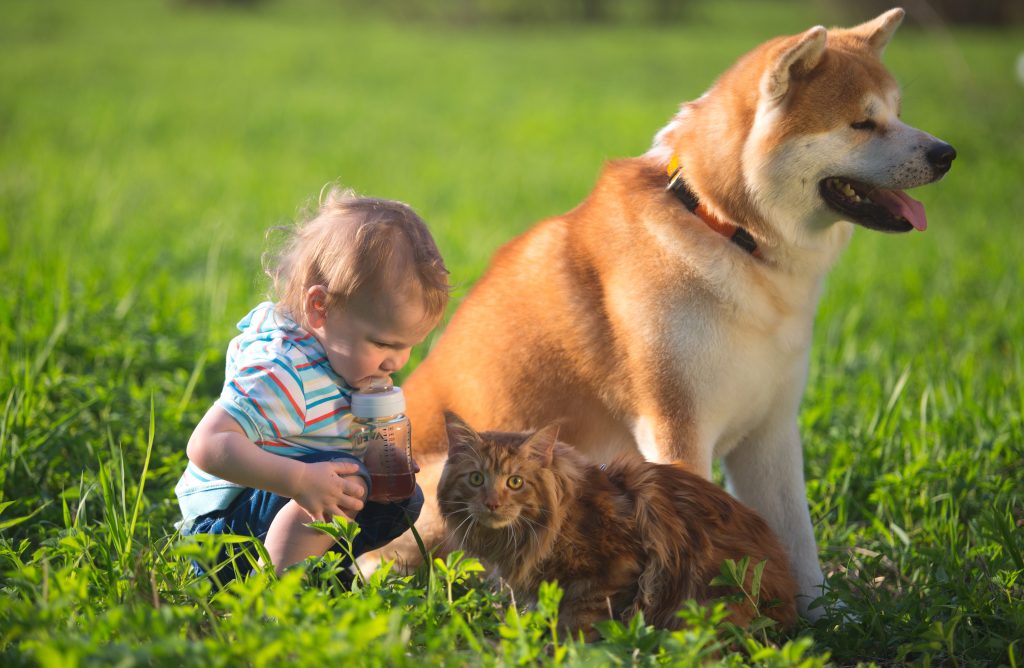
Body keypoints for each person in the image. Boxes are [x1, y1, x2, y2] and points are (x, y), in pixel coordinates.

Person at [175, 187, 450, 583]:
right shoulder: (282, 372)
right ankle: (277, 596)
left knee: (400, 496)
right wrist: (300, 480)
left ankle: (320, 577)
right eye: (383, 344)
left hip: (274, 513)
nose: (396, 362)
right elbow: (206, 445)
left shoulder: (342, 361)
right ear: (320, 308)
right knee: (344, 480)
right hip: (221, 536)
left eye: (408, 347)